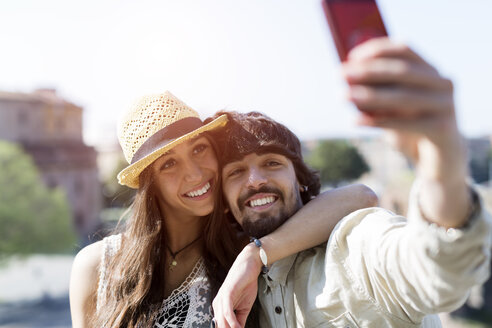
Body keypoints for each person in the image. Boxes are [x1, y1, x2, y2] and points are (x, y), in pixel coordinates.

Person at [210, 38, 492, 328]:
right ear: (225, 205)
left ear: (302, 182)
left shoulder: (351, 246)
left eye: (272, 163)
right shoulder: (235, 286)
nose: (255, 180)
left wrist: (441, 160)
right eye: (236, 172)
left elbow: (436, 270)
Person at [69, 91, 377, 327]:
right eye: (169, 164)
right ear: (151, 183)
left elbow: (360, 196)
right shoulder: (97, 266)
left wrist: (255, 254)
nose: (195, 174)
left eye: (199, 149)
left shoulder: (244, 244)